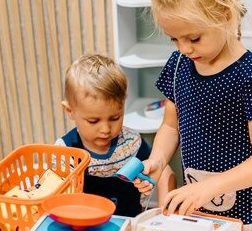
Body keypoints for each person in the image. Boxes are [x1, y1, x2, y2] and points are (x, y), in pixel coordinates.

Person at [133, 0, 252, 231]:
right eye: (174, 39)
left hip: (245, 219)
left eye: (194, 38)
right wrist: (157, 160)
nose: (184, 48)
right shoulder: (180, 64)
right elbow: (170, 125)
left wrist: (210, 187)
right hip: (198, 214)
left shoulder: (251, 78)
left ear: (224, 15)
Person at [55, 53, 176, 217]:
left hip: (130, 224)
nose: (105, 129)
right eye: (93, 121)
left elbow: (164, 171)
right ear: (70, 111)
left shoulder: (131, 143)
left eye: (114, 118)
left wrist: (165, 208)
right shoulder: (65, 152)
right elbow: (55, 197)